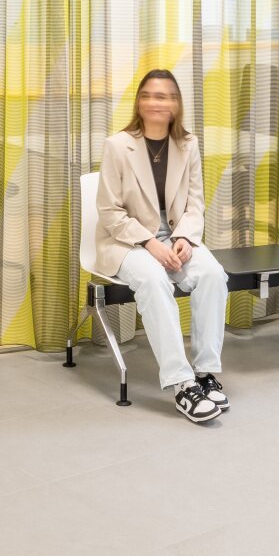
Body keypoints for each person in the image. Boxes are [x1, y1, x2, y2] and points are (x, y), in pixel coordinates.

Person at [95, 70, 230, 425]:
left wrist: (184, 237)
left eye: (165, 96)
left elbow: (195, 205)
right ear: (139, 101)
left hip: (177, 239)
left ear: (176, 104)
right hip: (128, 242)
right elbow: (109, 212)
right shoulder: (117, 145)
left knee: (213, 274)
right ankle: (182, 384)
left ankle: (205, 373)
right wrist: (150, 243)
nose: (157, 103)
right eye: (150, 95)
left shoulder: (188, 144)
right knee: (154, 280)